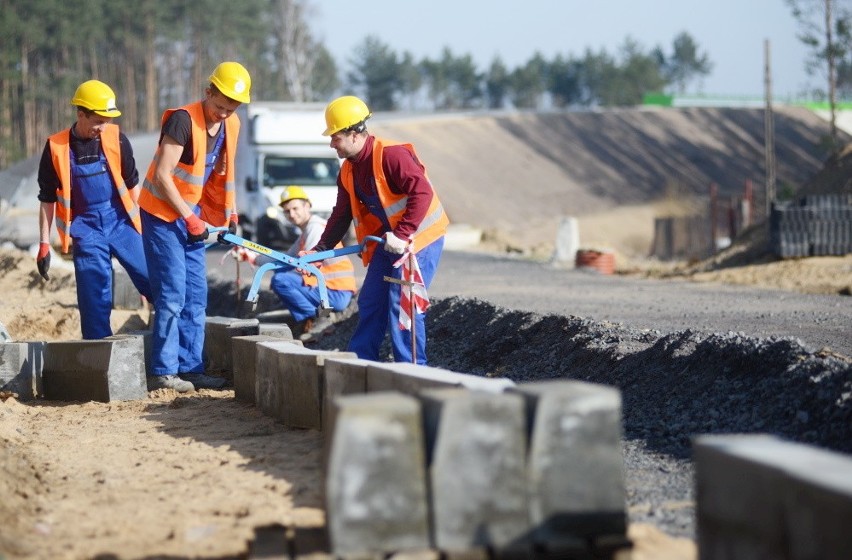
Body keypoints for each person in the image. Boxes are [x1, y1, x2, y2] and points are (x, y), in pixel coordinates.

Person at [309, 95, 449, 364]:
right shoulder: (348, 170)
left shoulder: (392, 155)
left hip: (419, 240)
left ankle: (411, 371)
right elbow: (341, 214)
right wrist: (322, 248)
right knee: (371, 300)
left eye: (335, 137)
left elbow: (422, 192)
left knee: (403, 304)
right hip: (390, 242)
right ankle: (362, 364)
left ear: (354, 133)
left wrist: (404, 233)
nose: (331, 144)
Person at [137, 61, 250, 392]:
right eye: (219, 106)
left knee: (197, 294)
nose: (223, 114)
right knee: (172, 292)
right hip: (162, 213)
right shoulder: (183, 120)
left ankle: (191, 367)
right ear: (207, 92)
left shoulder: (231, 124)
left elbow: (223, 173)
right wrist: (188, 216)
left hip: (192, 214)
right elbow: (161, 174)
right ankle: (164, 371)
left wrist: (231, 212)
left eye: (231, 109)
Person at [36, 79, 151, 340]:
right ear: (80, 114)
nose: (103, 127)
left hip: (121, 224)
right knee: (94, 302)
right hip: (86, 230)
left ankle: (172, 355)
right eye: (98, 120)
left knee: (156, 281)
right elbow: (46, 199)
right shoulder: (56, 148)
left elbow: (133, 187)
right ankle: (99, 370)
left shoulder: (117, 139)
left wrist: (145, 230)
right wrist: (44, 243)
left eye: (107, 120)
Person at [267, 186, 356, 341]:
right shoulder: (307, 231)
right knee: (280, 271)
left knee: (280, 280)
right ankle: (308, 317)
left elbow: (304, 266)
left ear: (307, 206)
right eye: (287, 211)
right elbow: (284, 258)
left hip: (336, 292)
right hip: (331, 288)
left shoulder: (315, 228)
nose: (292, 215)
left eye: (295, 208)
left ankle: (318, 319)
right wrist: (252, 256)